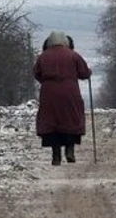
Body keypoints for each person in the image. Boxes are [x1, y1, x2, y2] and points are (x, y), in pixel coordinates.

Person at [33, 30, 92, 165]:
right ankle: (70, 150)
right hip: (69, 91)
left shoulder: (43, 56)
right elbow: (83, 73)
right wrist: (88, 73)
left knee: (52, 120)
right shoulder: (73, 55)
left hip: (49, 93)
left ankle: (56, 155)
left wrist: (47, 82)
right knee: (71, 118)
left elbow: (37, 73)